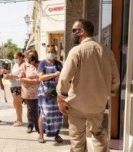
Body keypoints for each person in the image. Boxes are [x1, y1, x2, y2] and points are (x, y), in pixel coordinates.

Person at [56, 19, 120, 152]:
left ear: (81, 31)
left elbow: (64, 78)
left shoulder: (76, 51)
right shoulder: (107, 52)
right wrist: (108, 95)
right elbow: (116, 80)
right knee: (98, 135)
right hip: (98, 104)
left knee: (77, 140)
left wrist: (61, 97)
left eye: (74, 30)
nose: (72, 33)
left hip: (77, 105)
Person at [37, 45, 63, 143]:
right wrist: (54, 74)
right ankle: (41, 135)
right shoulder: (42, 63)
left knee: (57, 115)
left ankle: (56, 134)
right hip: (45, 93)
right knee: (44, 113)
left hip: (56, 93)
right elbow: (41, 77)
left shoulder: (59, 64)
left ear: (55, 53)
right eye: (48, 51)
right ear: (46, 52)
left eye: (52, 51)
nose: (50, 53)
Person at [19, 49, 40, 133]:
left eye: (33, 54)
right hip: (28, 92)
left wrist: (37, 80)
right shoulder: (24, 65)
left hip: (39, 91)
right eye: (30, 55)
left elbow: (43, 76)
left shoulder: (40, 64)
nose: (31, 56)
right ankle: (30, 125)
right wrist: (31, 81)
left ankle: (39, 126)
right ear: (27, 56)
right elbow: (21, 77)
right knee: (30, 109)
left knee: (38, 110)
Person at [4, 51, 25, 126]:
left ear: (21, 57)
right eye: (14, 58)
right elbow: (13, 73)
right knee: (15, 103)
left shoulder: (24, 65)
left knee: (18, 103)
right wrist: (8, 76)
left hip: (19, 86)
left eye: (17, 57)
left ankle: (20, 120)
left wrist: (13, 76)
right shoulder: (15, 64)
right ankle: (18, 118)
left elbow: (23, 76)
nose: (15, 59)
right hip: (13, 85)